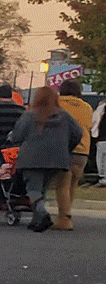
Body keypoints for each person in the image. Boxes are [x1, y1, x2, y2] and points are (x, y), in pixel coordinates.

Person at [9, 86, 83, 232]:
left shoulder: (30, 115)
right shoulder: (65, 116)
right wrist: (67, 147)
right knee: (43, 188)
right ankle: (36, 219)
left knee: (33, 188)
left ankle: (42, 214)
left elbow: (17, 136)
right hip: (58, 159)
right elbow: (78, 133)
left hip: (32, 158)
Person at [53, 78, 93, 230]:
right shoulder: (87, 107)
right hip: (83, 151)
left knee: (62, 186)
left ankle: (64, 219)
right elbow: (88, 126)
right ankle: (67, 213)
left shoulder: (58, 104)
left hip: (65, 149)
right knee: (72, 185)